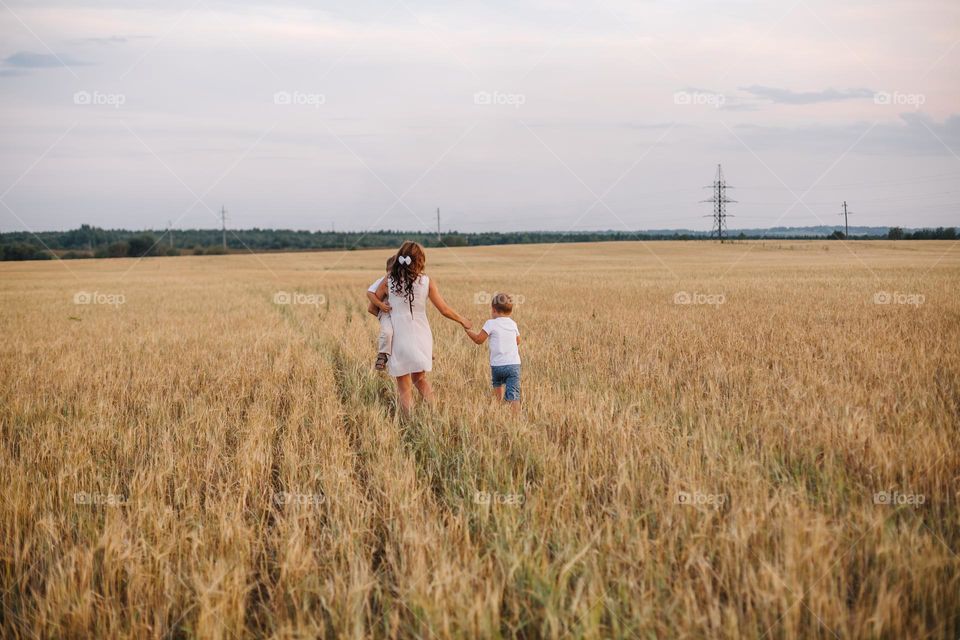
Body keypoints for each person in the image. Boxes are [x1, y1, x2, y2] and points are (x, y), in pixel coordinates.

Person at [370, 241, 472, 415]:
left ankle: (409, 420)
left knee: (403, 385)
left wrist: (387, 314)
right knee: (420, 378)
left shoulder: (389, 280)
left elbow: (372, 307)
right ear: (420, 260)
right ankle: (435, 414)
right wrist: (462, 320)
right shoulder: (426, 281)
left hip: (399, 335)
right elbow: (444, 309)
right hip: (421, 335)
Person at [464, 292, 521, 411]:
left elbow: (479, 340)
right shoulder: (513, 324)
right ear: (510, 311)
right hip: (513, 365)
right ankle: (515, 419)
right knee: (513, 395)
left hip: (497, 366)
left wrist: (468, 330)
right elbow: (518, 341)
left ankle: (498, 409)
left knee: (497, 384)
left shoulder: (490, 323)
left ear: (494, 310)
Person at [365, 255, 396, 371]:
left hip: (398, 313)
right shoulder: (382, 281)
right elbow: (369, 293)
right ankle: (382, 354)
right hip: (385, 313)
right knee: (387, 332)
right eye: (391, 272)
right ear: (387, 271)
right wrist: (380, 305)